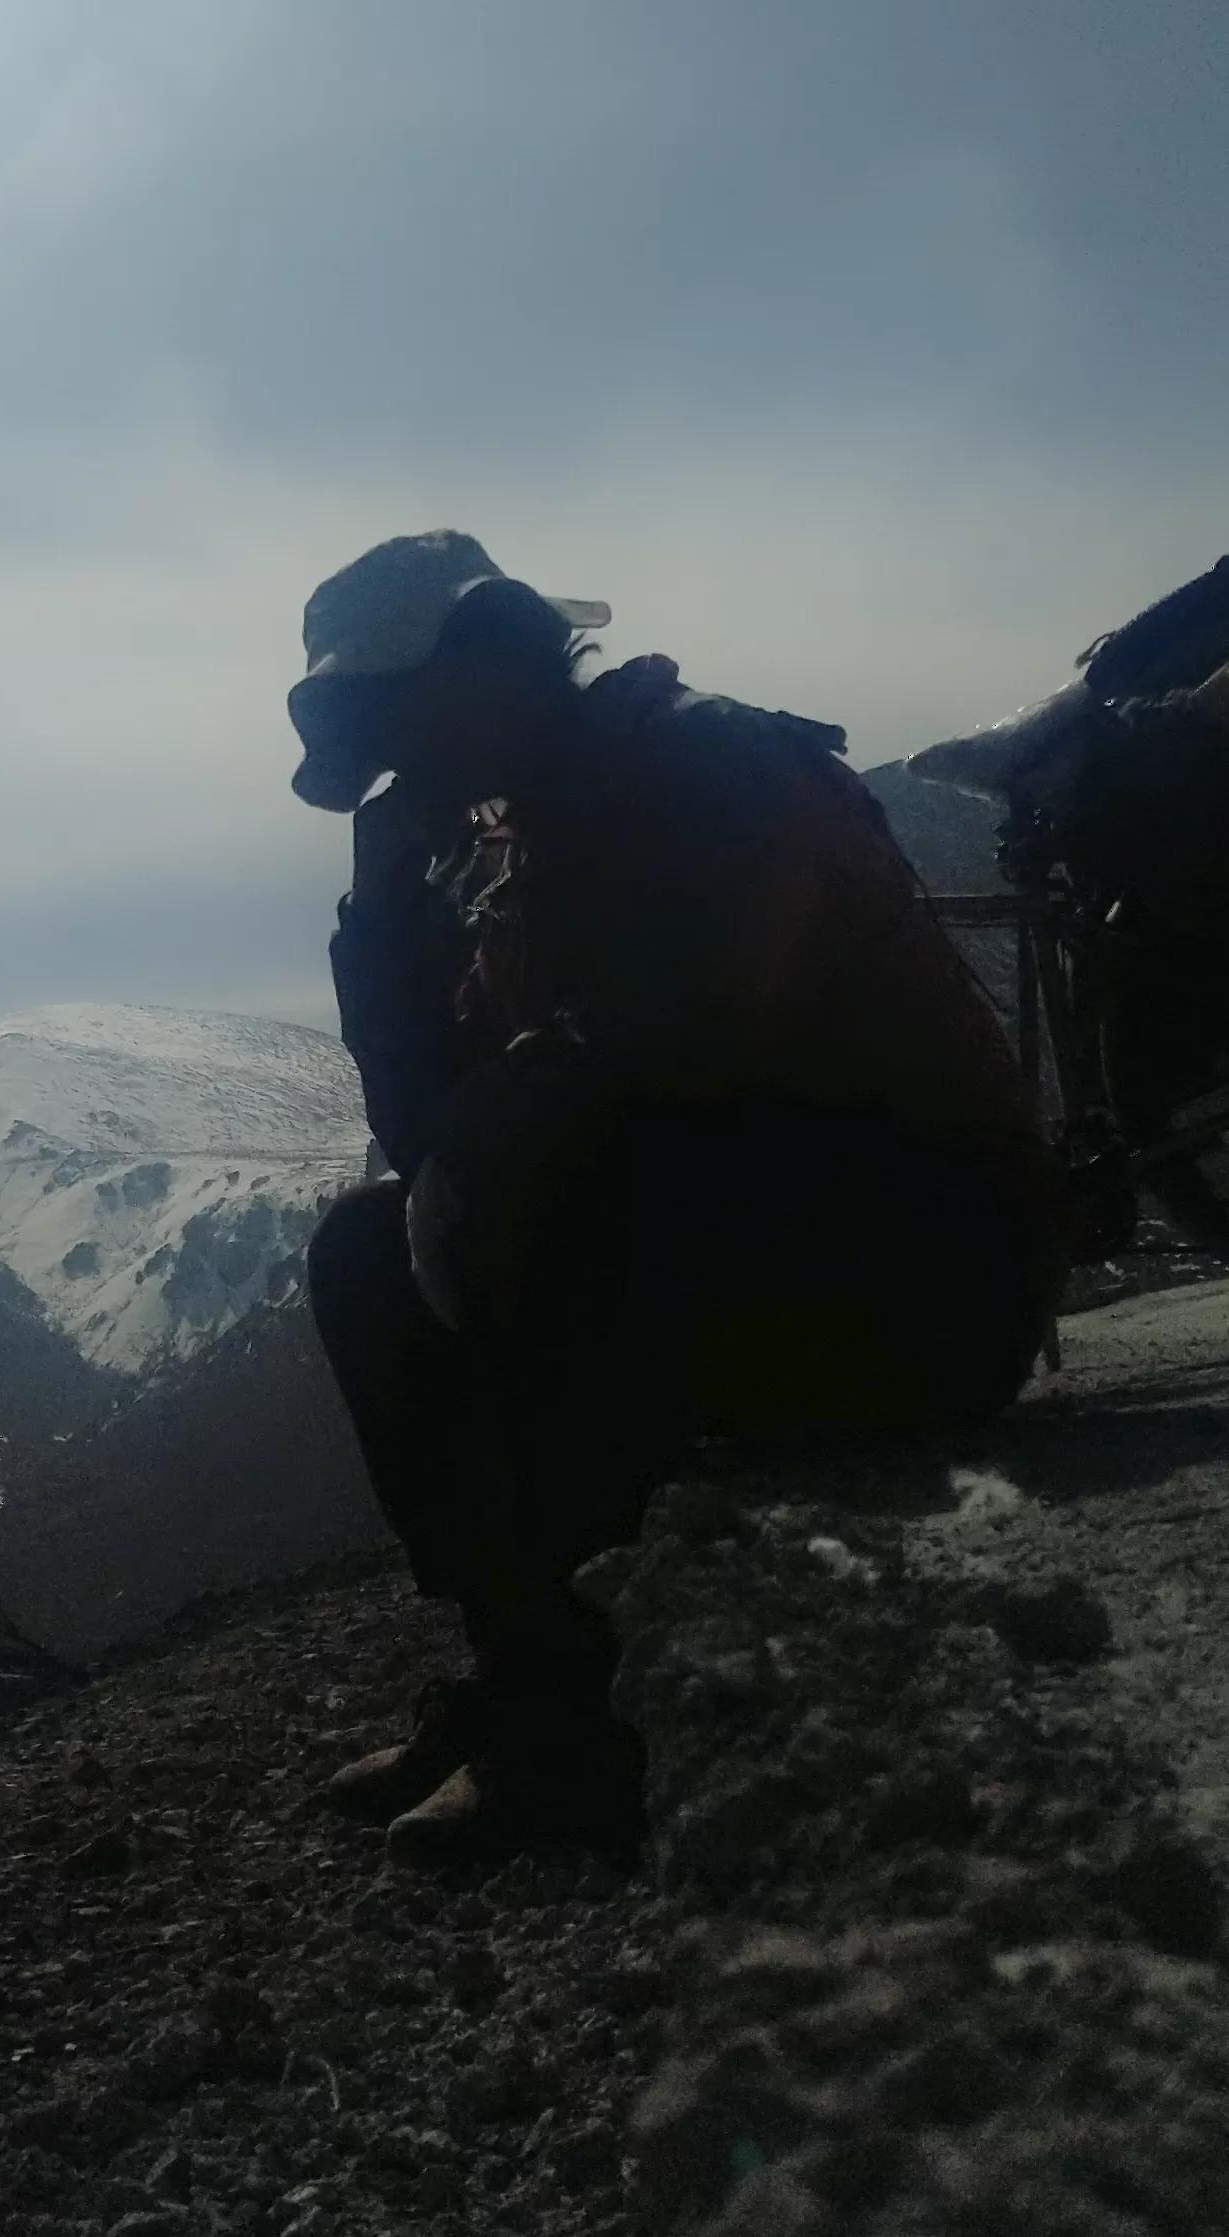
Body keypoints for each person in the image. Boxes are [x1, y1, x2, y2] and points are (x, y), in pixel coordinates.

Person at [286, 531, 1070, 1863]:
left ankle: (583, 1729)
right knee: (369, 1252)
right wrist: (382, 919)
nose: (401, 764)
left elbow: (695, 1044)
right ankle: (522, 1659)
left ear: (493, 662)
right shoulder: (525, 848)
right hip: (752, 1251)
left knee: (580, 1191)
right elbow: (431, 1141)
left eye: (399, 720)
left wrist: (523, 1099)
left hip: (937, 1269)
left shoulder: (707, 764)